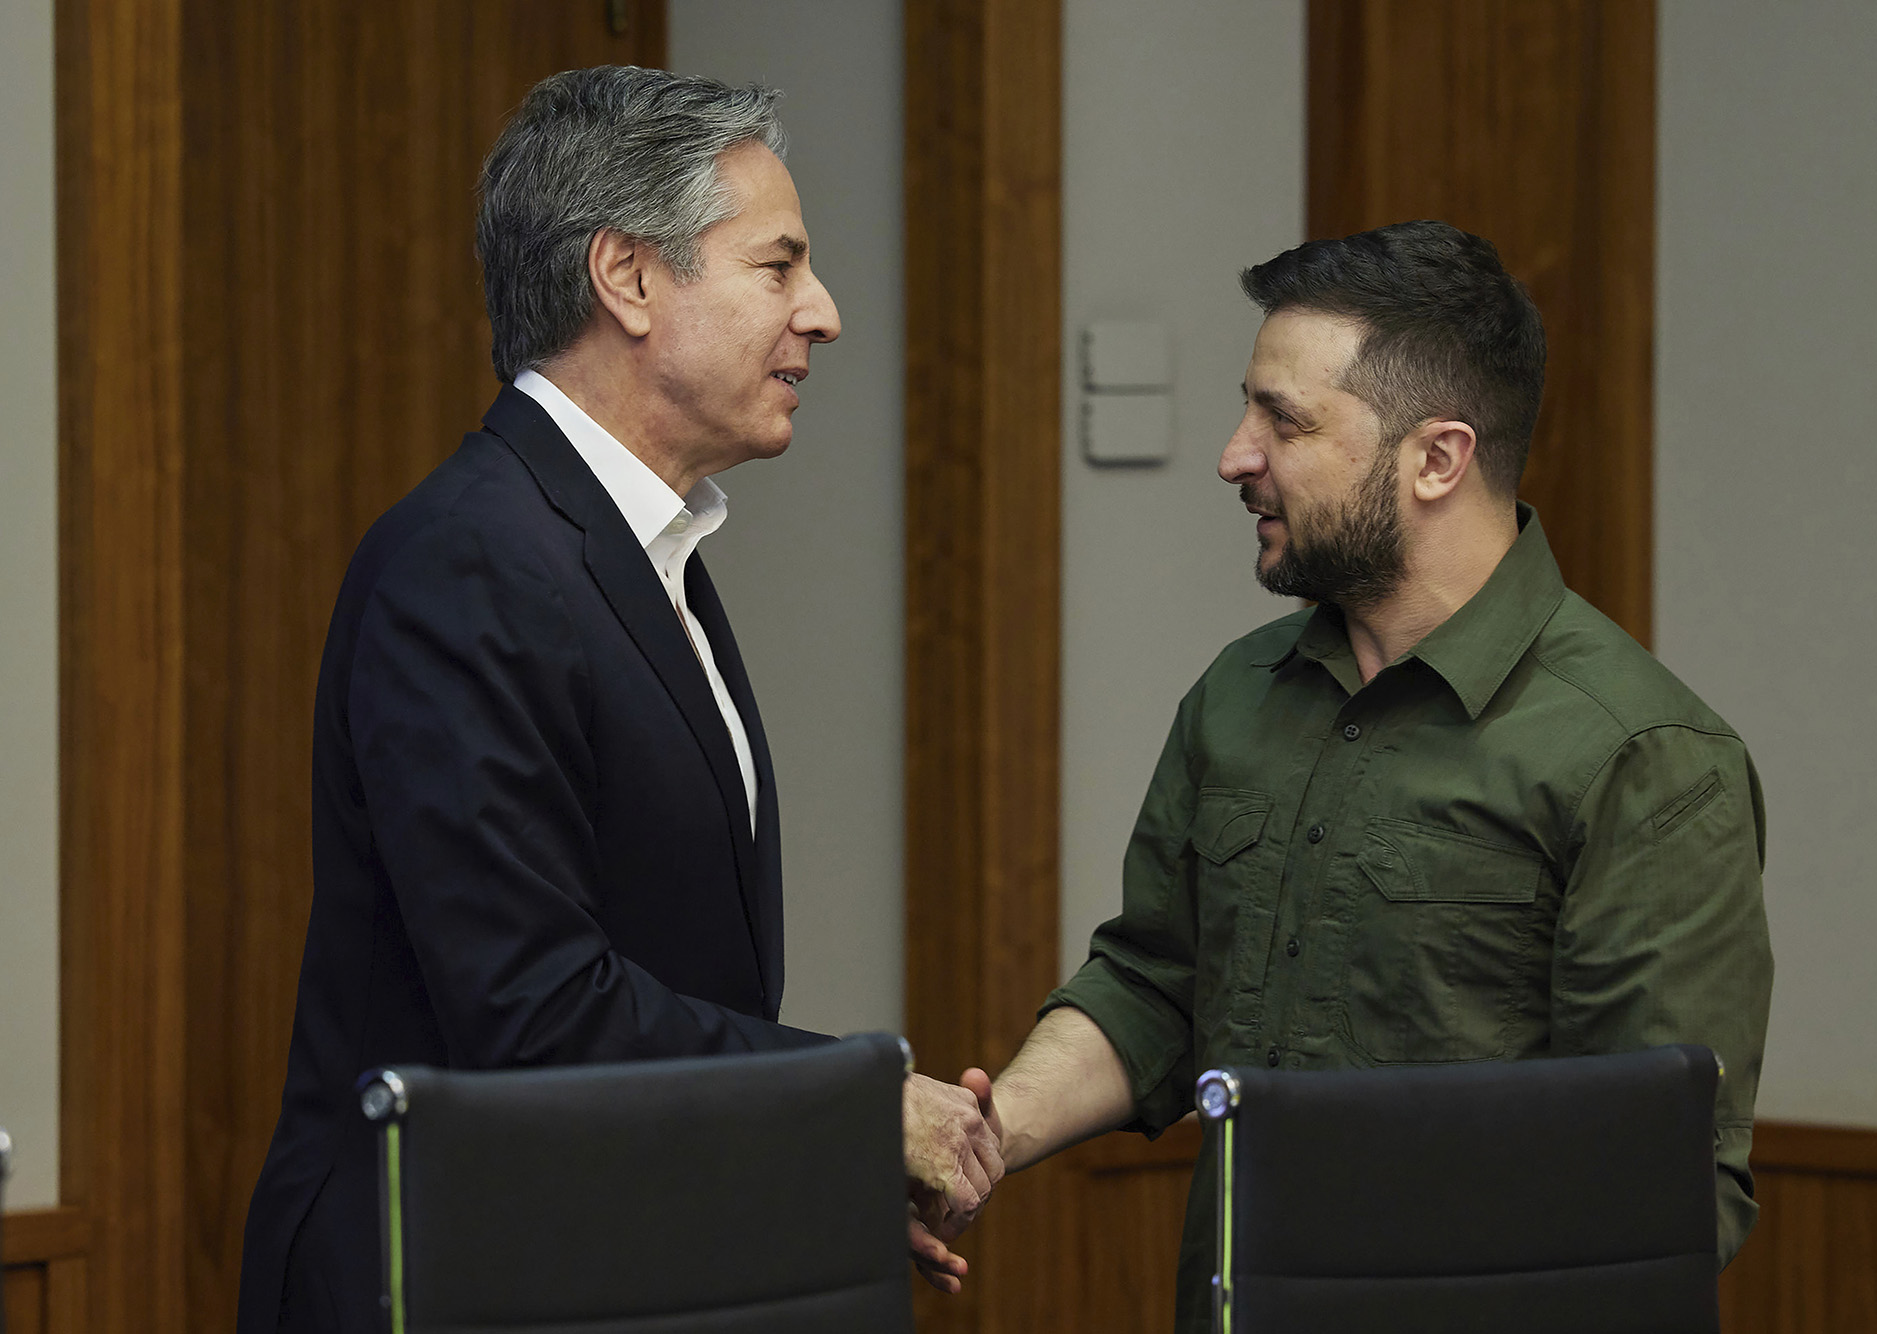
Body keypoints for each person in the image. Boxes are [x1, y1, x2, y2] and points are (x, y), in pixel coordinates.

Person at [238, 68, 999, 1333]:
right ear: (629, 278)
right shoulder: (471, 557)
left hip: (599, 1252)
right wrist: (851, 1100)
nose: (824, 312)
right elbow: (533, 1007)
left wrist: (799, 1168)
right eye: (779, 264)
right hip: (447, 1273)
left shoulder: (637, 551)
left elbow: (665, 972)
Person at [954, 221, 1774, 1333]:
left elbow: (1659, 1181)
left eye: (1282, 419)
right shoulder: (1235, 697)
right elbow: (1156, 983)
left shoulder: (1641, 755)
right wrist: (981, 1137)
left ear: (1436, 457)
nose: (1234, 454)